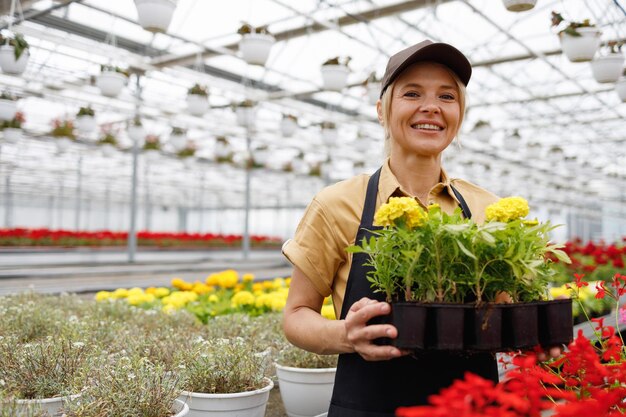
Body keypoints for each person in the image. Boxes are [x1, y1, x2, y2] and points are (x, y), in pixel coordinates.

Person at [282, 40, 560, 416]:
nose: (431, 107)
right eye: (412, 93)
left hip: (472, 408)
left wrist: (533, 333)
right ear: (382, 110)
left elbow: (503, 309)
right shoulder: (338, 204)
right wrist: (344, 334)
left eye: (447, 96)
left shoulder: (486, 208)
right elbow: (296, 315)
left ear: (459, 113)